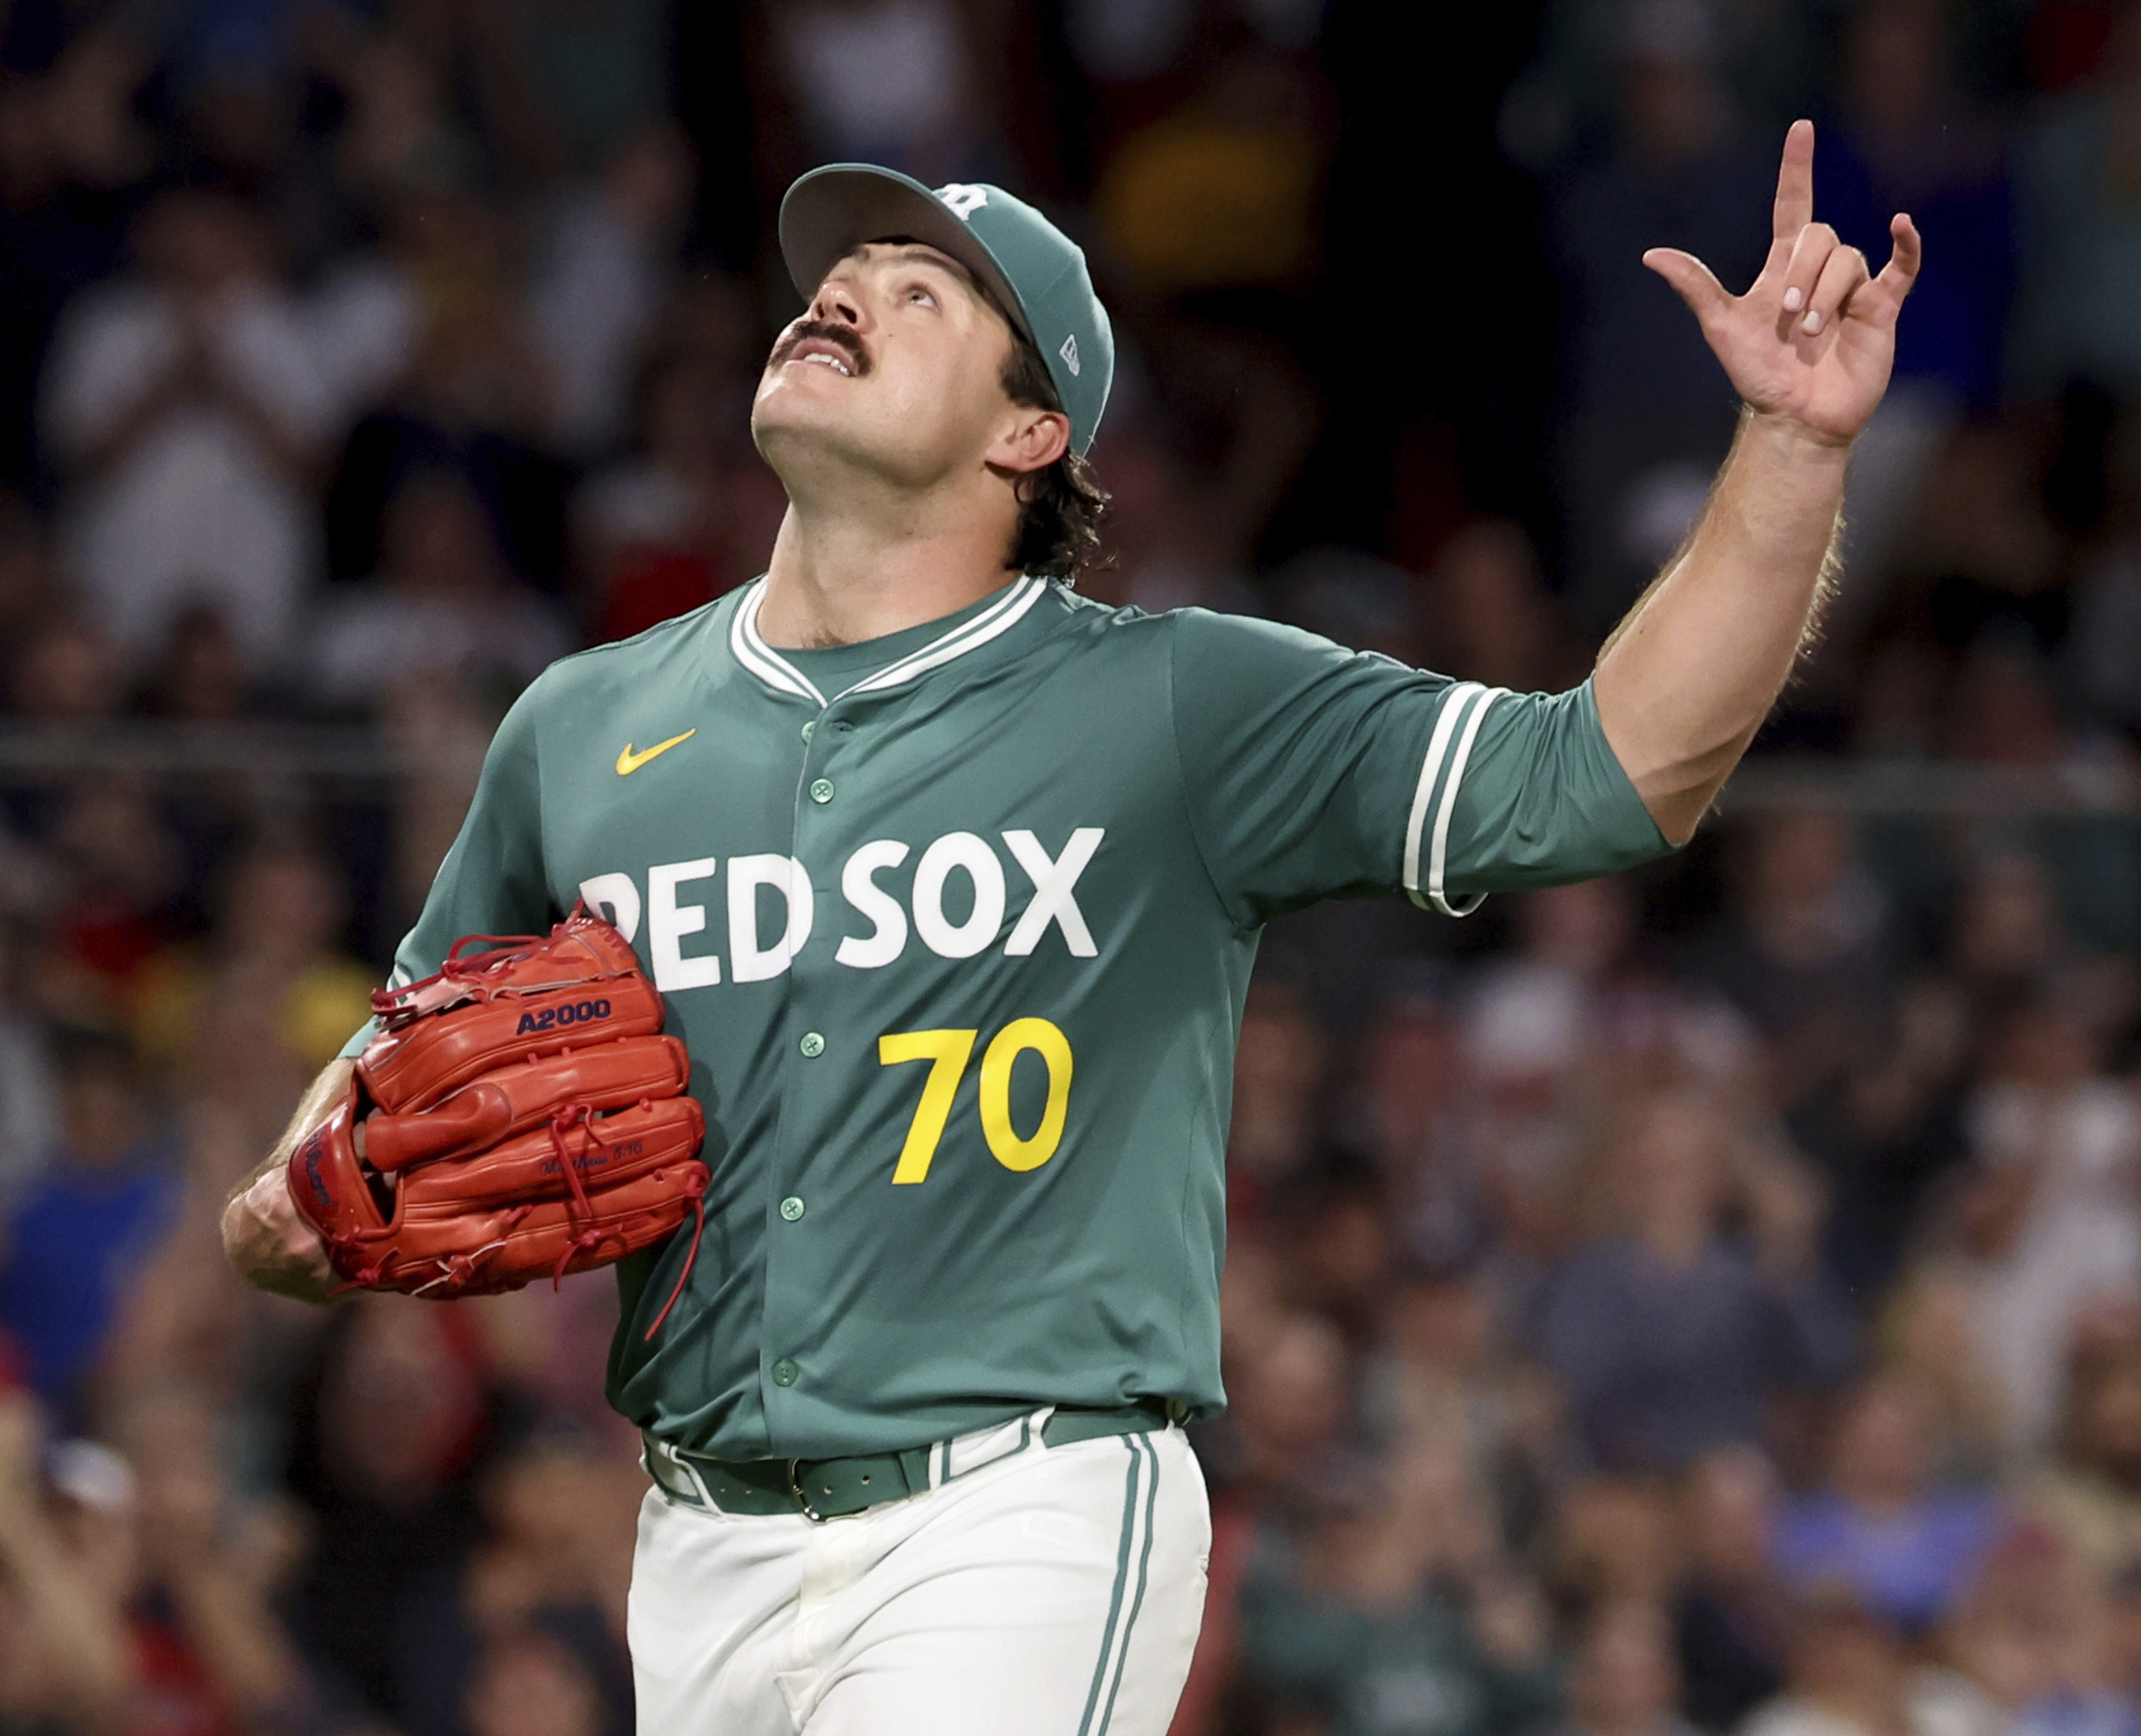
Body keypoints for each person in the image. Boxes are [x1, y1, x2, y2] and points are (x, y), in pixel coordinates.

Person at [224, 130, 1921, 1734]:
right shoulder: (583, 725)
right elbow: (406, 1039)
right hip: (694, 1544)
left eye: (920, 291)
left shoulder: (1172, 704)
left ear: (1028, 435)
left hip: (1020, 1508)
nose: (843, 294)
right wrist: (288, 1197)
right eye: (842, 274)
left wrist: (1792, 449)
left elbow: (1609, 770)